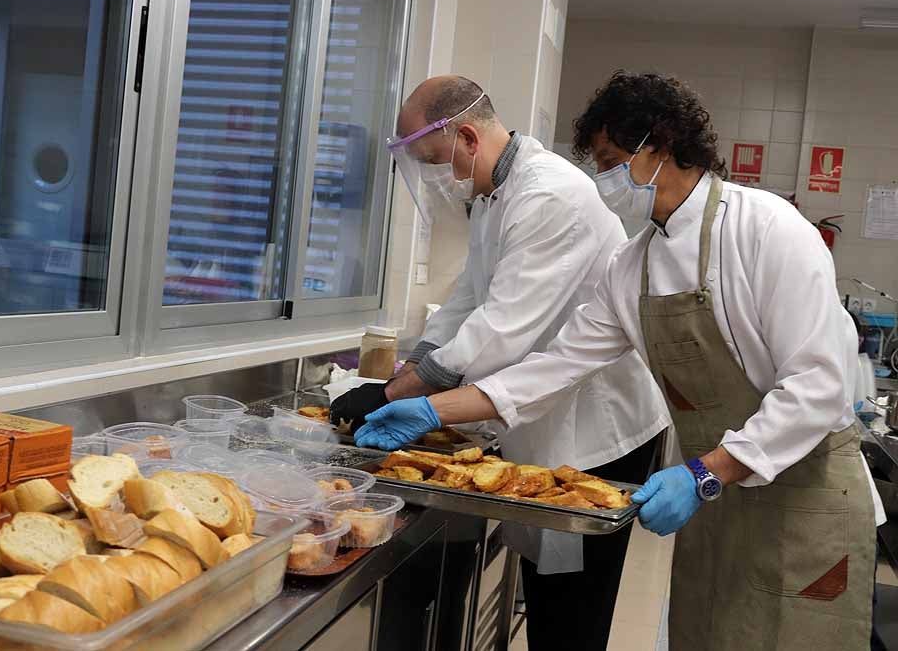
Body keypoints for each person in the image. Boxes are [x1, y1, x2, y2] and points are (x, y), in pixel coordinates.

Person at [355, 71, 886, 650]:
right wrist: (432, 409)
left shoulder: (767, 229)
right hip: (720, 494)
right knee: (713, 634)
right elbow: (555, 367)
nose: (602, 180)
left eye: (610, 161)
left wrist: (707, 471)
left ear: (658, 146)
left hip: (800, 487)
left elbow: (818, 387)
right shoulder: (633, 265)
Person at [331, 75, 669, 649]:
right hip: (547, 417)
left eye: (433, 159)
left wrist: (393, 396)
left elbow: (500, 331)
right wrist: (408, 369)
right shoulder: (495, 195)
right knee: (546, 594)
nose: (435, 175)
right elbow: (468, 298)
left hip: (597, 432)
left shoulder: (549, 195)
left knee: (570, 616)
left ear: (465, 136)